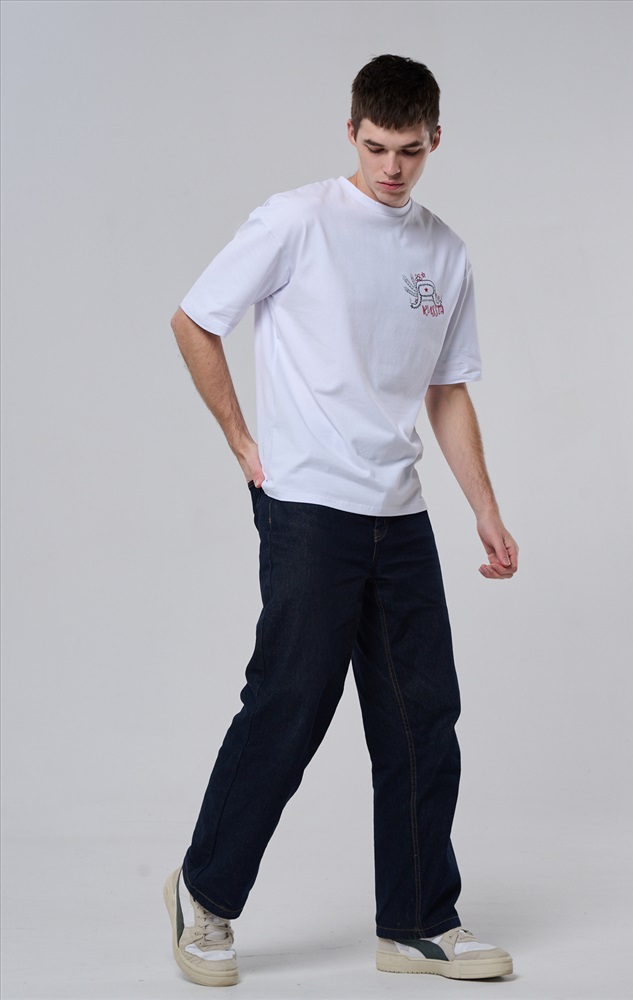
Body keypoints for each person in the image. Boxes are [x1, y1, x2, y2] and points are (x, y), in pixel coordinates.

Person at [164, 54, 518, 988]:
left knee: (421, 717)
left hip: (398, 513)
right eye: (375, 147)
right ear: (351, 132)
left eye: (409, 150)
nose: (391, 167)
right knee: (289, 705)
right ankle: (203, 897)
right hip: (308, 506)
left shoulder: (444, 252)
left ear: (434, 140)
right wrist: (243, 441)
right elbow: (195, 320)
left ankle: (417, 923)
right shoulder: (295, 220)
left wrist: (484, 510)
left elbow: (447, 390)